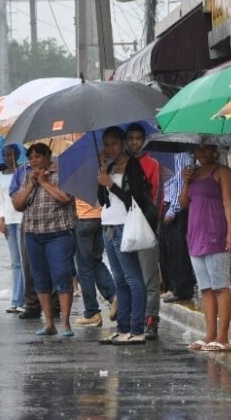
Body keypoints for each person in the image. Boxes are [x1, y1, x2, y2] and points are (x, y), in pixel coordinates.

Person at [12, 143, 76, 337]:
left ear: (49, 156)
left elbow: (65, 197)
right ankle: (49, 323)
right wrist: (32, 183)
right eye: (31, 157)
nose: (34, 160)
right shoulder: (27, 177)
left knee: (62, 275)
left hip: (59, 233)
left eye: (38, 156)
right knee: (40, 279)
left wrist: (45, 182)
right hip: (33, 234)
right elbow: (18, 204)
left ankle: (65, 323)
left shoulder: (62, 172)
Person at [180, 143, 231, 352]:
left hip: (216, 232)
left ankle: (223, 337)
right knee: (205, 288)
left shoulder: (222, 172)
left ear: (215, 150)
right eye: (198, 149)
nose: (202, 153)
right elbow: (184, 203)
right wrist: (186, 182)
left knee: (220, 286)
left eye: (207, 149)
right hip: (195, 235)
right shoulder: (193, 173)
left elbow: (228, 203)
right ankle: (210, 334)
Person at [97, 126, 151, 346]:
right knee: (119, 280)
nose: (110, 148)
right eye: (107, 144)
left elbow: (134, 200)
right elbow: (102, 200)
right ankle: (122, 327)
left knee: (133, 279)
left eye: (114, 143)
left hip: (124, 226)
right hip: (107, 225)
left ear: (123, 143)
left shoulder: (132, 165)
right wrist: (102, 176)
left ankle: (137, 328)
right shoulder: (108, 167)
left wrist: (111, 184)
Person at [125, 123, 162, 339]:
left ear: (144, 140)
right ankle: (135, 318)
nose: (134, 143)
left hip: (146, 224)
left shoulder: (151, 164)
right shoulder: (118, 164)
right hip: (125, 227)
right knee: (132, 277)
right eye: (130, 139)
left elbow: (156, 195)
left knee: (149, 277)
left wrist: (155, 225)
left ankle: (151, 320)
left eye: (138, 138)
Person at [72, 198, 117, 327]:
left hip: (83, 218)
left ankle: (92, 313)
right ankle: (114, 295)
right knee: (96, 261)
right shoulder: (97, 176)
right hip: (99, 217)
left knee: (84, 268)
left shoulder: (74, 177)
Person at [159, 152, 196, 303]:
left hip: (178, 207)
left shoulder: (182, 154)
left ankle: (182, 289)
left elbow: (181, 184)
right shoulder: (168, 155)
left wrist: (173, 210)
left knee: (178, 250)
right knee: (168, 250)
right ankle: (172, 287)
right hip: (166, 203)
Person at [0, 144, 25, 314]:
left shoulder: (22, 173)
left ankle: (25, 300)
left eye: (11, 155)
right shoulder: (1, 175)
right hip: (9, 220)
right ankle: (15, 300)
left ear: (17, 155)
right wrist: (1, 219)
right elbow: (2, 200)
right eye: (5, 155)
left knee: (24, 261)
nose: (8, 158)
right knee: (15, 262)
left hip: (22, 219)